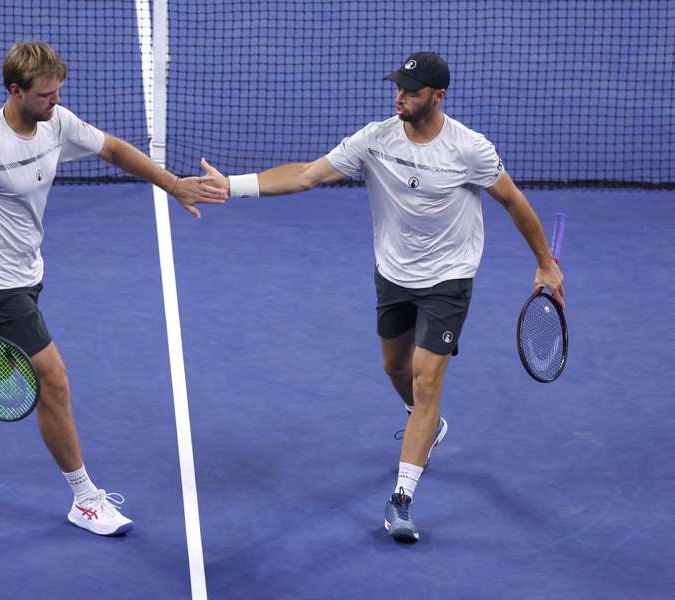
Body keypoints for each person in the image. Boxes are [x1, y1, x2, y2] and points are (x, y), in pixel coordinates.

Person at [200, 52, 564, 542]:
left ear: (438, 97)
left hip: (449, 278)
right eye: (398, 88)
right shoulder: (375, 139)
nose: (400, 97)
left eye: (412, 91)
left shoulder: (469, 149)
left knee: (426, 377)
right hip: (394, 274)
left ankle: (402, 498)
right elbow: (308, 174)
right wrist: (233, 186)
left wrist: (545, 263)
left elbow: (514, 201)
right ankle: (425, 424)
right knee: (396, 369)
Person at [0, 41, 226, 536]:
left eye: (57, 93)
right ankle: (85, 498)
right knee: (53, 379)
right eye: (46, 95)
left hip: (27, 272)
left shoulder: (55, 122)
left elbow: (111, 147)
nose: (55, 101)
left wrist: (171, 183)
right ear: (16, 91)